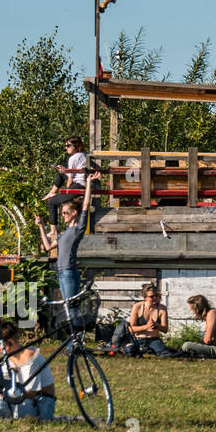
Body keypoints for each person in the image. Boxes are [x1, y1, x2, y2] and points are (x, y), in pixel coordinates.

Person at [36, 171, 97, 305]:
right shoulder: (64, 233)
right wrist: (41, 226)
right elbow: (48, 247)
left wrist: (88, 183)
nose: (63, 215)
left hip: (69, 271)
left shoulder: (78, 228)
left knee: (71, 305)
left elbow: (85, 205)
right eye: (62, 212)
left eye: (65, 212)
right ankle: (74, 325)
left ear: (74, 213)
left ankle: (76, 326)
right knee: (67, 305)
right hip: (61, 271)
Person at [0, 322, 56, 421]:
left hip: (40, 402)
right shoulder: (8, 360)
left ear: (10, 342)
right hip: (19, 399)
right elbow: (7, 386)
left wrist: (3, 395)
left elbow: (31, 392)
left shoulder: (30, 357)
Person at [42, 136, 88, 240]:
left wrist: (67, 191)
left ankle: (53, 230)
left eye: (68, 145)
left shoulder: (73, 158)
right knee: (61, 172)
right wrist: (64, 171)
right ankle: (52, 191)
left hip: (78, 185)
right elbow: (73, 174)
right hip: (83, 183)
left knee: (52, 202)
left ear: (76, 146)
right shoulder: (84, 155)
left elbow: (70, 180)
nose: (66, 148)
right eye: (65, 146)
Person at [111, 283, 175, 357]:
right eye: (151, 296)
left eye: (156, 296)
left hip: (153, 339)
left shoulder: (162, 308)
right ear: (145, 297)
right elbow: (131, 329)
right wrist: (146, 327)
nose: (155, 298)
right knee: (131, 352)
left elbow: (165, 329)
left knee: (165, 354)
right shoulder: (137, 306)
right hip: (138, 339)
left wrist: (157, 325)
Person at [180, 295, 216, 359]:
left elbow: (208, 339)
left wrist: (200, 345)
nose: (193, 312)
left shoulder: (211, 314)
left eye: (192, 309)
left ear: (198, 308)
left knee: (186, 345)